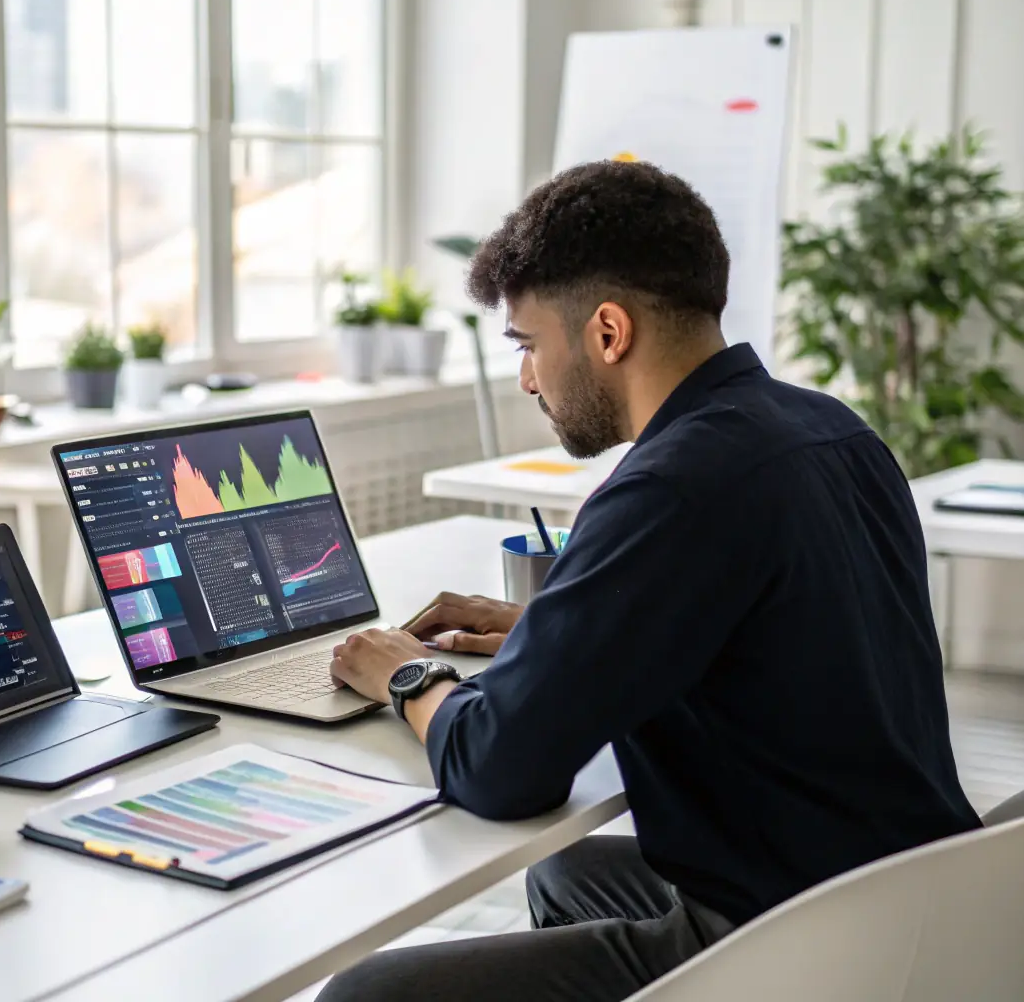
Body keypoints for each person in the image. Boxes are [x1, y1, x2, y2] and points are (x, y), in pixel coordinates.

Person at [320, 160, 981, 1002]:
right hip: (924, 891)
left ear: (605, 332)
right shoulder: (830, 429)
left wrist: (404, 674)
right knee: (564, 878)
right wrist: (550, 627)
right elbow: (773, 638)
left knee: (365, 995)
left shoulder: (669, 484)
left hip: (811, 946)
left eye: (528, 345)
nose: (527, 378)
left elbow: (500, 768)